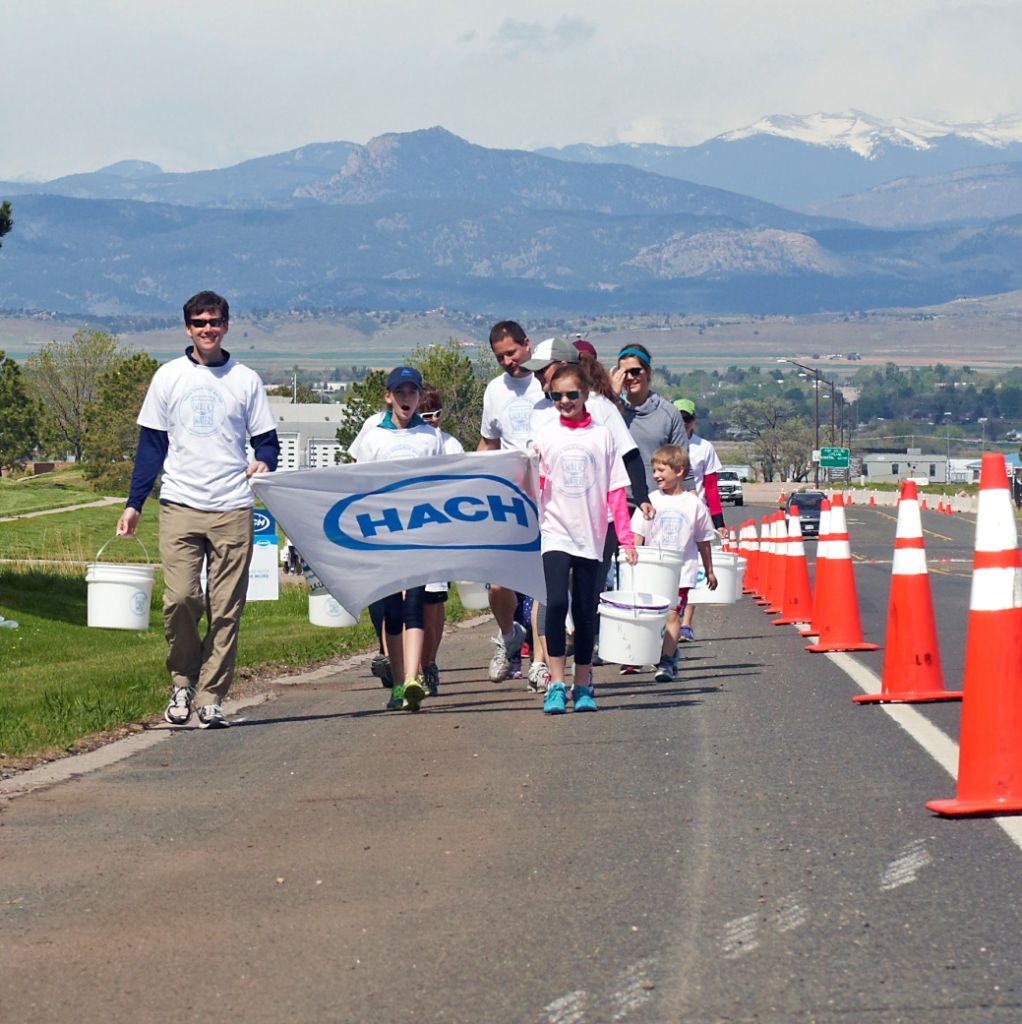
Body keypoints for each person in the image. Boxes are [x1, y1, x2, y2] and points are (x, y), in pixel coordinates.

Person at [116, 290, 280, 729]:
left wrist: (264, 460)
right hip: (180, 503)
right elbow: (151, 447)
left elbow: (267, 440)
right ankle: (182, 680)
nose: (208, 328)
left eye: (216, 321)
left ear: (227, 325)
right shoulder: (168, 377)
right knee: (182, 598)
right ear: (187, 328)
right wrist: (134, 505)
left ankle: (211, 696)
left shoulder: (245, 379)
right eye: (200, 322)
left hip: (232, 506)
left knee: (227, 608)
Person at [523, 337, 652, 688]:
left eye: (544, 372)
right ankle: (552, 677)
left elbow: (622, 466)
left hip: (596, 526)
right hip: (554, 526)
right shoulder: (540, 414)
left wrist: (633, 515)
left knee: (584, 604)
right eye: (555, 394)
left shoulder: (602, 416)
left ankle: (583, 679)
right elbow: (532, 470)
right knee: (551, 599)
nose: (558, 397)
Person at [348, 366, 444, 711]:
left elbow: (440, 483)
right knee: (391, 608)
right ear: (388, 396)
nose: (407, 399)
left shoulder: (429, 438)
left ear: (420, 396)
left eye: (412, 392)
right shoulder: (373, 435)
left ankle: (414, 677)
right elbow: (358, 480)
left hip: (420, 531)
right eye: (399, 393)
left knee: (415, 602)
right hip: (383, 531)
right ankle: (399, 683)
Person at [477, 321, 545, 682]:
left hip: (546, 497)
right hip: (506, 498)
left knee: (540, 581)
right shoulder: (494, 391)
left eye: (512, 353)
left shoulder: (546, 383)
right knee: (499, 583)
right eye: (500, 356)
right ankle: (508, 638)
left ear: (527, 345)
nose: (507, 361)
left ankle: (539, 660)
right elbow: (487, 444)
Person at [631, 445, 717, 682]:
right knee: (652, 615)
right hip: (651, 571)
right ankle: (664, 651)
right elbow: (637, 534)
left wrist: (709, 570)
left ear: (679, 471)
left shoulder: (694, 504)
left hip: (682, 571)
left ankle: (666, 661)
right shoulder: (648, 502)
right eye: (655, 470)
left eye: (662, 470)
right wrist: (633, 559)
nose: (657, 475)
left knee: (671, 614)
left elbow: (703, 540)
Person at [418, 384, 465, 698]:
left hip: (440, 536)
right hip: (408, 536)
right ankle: (406, 664)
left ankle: (429, 662)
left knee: (433, 604)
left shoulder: (452, 446)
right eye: (426, 415)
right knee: (408, 604)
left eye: (437, 413)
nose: (433, 420)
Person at [673, 398, 726, 642]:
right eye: (679, 418)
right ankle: (670, 617)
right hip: (670, 514)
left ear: (694, 420)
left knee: (693, 570)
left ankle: (686, 623)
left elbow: (712, 488)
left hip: (697, 515)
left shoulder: (704, 447)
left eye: (687, 419)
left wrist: (719, 522)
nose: (683, 423)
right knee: (672, 570)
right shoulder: (667, 445)